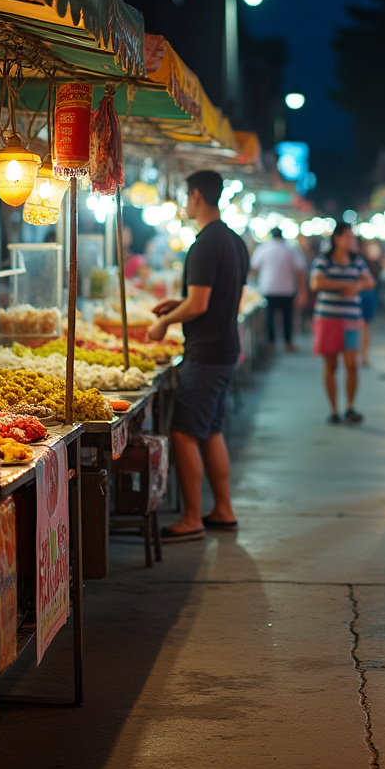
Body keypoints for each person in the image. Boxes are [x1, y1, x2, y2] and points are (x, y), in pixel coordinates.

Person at [147, 170, 249, 541]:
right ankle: (222, 508)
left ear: (195, 196)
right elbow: (220, 296)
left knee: (185, 433)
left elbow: (202, 302)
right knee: (212, 429)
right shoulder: (235, 241)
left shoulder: (205, 244)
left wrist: (165, 324)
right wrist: (182, 304)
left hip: (206, 352)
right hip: (225, 347)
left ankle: (192, 518)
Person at [310, 222, 374, 424]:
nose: (350, 240)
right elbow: (315, 283)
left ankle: (350, 407)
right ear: (336, 238)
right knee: (331, 366)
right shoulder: (323, 260)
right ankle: (334, 409)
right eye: (347, 236)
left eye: (352, 237)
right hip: (328, 318)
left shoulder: (357, 260)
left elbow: (370, 281)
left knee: (351, 365)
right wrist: (343, 285)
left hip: (351, 319)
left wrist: (358, 286)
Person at [250, 227, 307, 352]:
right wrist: (303, 291)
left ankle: (271, 342)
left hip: (268, 289)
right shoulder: (291, 250)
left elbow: (253, 269)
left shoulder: (262, 249)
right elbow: (300, 272)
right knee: (287, 317)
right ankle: (288, 342)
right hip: (287, 289)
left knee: (269, 317)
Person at [358, 242, 383, 367]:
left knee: (365, 327)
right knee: (362, 327)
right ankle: (361, 355)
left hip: (367, 297)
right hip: (362, 296)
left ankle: (363, 356)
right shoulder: (358, 261)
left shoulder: (363, 262)